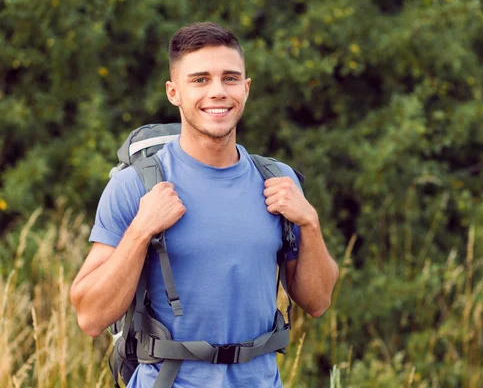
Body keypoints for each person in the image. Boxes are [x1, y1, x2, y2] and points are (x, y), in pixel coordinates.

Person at [69, 22, 339, 387]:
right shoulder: (137, 185)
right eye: (200, 80)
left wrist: (310, 224)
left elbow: (318, 302)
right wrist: (141, 230)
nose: (218, 91)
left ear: (245, 89)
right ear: (173, 92)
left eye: (230, 78)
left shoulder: (277, 180)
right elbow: (90, 317)